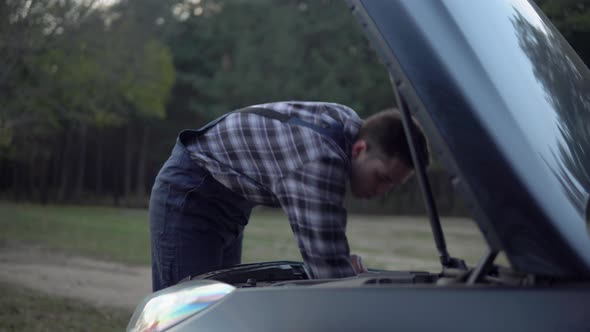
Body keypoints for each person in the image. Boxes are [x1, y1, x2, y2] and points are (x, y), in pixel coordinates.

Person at [149, 101, 429, 291]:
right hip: (191, 196)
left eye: (391, 185)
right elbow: (328, 273)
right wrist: (339, 266)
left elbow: (328, 254)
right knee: (186, 317)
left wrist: (337, 262)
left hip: (228, 207)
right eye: (381, 178)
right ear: (360, 150)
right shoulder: (320, 159)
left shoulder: (348, 125)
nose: (381, 191)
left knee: (212, 311)